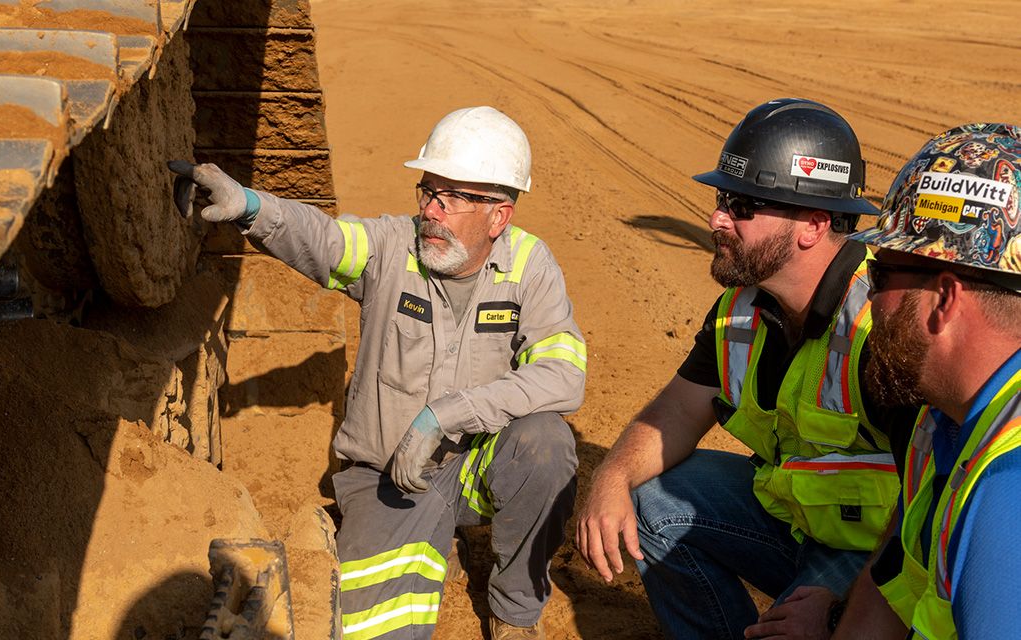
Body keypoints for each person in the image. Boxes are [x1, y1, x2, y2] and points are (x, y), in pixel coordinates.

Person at [169, 106, 585, 639]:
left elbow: (563, 375)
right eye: (428, 190)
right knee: (379, 633)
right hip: (390, 476)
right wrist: (250, 206)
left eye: (452, 198)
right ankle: (425, 540)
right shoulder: (391, 246)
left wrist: (446, 415)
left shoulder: (531, 264)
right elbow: (321, 237)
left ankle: (514, 611)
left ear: (498, 215)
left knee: (546, 445)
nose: (432, 210)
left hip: (477, 468)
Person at [576, 98, 917, 640]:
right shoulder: (741, 308)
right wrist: (611, 475)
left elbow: (931, 512)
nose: (716, 219)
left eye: (742, 206)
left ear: (813, 223)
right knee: (650, 504)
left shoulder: (885, 326)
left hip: (880, 553)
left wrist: (838, 608)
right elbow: (677, 411)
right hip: (797, 520)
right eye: (720, 199)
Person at [830, 123, 1021, 639]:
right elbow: (895, 591)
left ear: (945, 299)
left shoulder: (1008, 498)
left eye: (880, 276)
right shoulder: (940, 422)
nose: (869, 302)